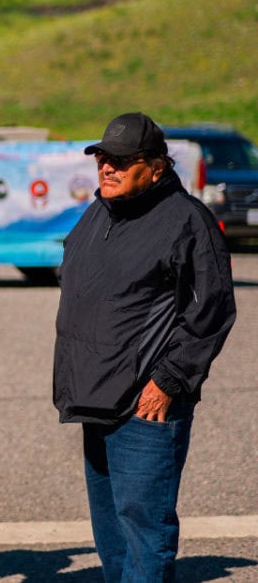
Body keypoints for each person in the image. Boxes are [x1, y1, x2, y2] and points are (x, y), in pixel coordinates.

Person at [53, 112, 235, 582]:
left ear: (155, 168)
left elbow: (211, 312)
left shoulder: (187, 220)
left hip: (145, 406)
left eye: (121, 160)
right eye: (102, 158)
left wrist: (168, 381)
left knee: (143, 526)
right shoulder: (99, 211)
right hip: (94, 397)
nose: (106, 169)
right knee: (110, 528)